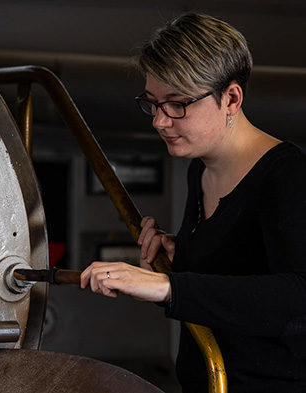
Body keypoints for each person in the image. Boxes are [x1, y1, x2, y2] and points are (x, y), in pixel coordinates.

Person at [79, 13, 306, 393]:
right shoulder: (199, 171)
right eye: (152, 103)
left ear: (231, 98)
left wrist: (169, 286)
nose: (160, 121)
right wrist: (180, 255)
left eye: (177, 104)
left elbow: (298, 295)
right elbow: (234, 281)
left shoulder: (288, 176)